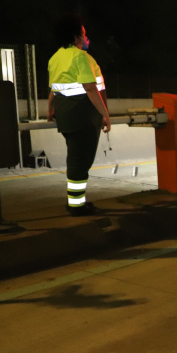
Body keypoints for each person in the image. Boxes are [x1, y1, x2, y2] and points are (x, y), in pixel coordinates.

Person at [47, 14, 111, 216]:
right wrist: (105, 115)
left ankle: (77, 202)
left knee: (76, 158)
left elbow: (53, 89)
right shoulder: (80, 57)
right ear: (76, 37)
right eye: (83, 34)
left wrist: (49, 109)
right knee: (80, 161)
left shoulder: (55, 58)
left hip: (66, 115)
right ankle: (76, 206)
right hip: (83, 115)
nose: (86, 38)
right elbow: (91, 89)